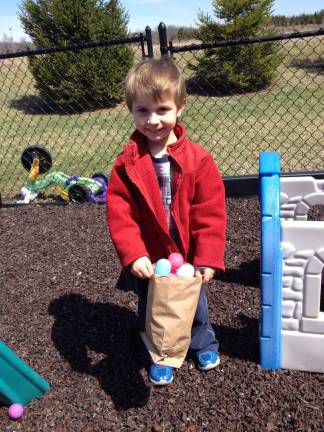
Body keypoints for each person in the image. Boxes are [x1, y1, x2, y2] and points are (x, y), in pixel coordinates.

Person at [106, 56, 226, 386]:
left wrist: (207, 257)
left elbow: (210, 212)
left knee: (194, 304)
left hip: (186, 254)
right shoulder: (127, 163)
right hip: (151, 255)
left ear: (180, 107)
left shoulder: (198, 160)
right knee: (153, 308)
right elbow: (121, 213)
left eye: (162, 110)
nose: (153, 120)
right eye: (142, 111)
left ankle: (203, 342)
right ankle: (161, 354)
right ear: (131, 110)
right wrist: (134, 254)